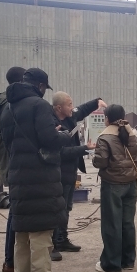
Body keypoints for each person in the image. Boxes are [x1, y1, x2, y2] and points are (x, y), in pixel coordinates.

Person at [1, 68, 73, 272]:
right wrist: (63, 136)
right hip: (40, 176)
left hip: (17, 174)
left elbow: (7, 142)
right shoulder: (39, 105)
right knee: (41, 230)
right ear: (40, 85)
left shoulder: (8, 108)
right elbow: (49, 138)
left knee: (23, 230)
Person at [51, 92, 107, 256]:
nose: (72, 107)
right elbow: (60, 152)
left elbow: (81, 110)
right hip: (57, 173)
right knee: (57, 209)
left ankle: (62, 239)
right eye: (69, 104)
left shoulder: (69, 118)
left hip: (70, 172)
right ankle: (52, 244)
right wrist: (84, 149)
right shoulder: (51, 124)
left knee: (66, 208)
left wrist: (97, 102)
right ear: (59, 108)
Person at [92, 104, 137, 272]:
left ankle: (111, 264)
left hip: (112, 185)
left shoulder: (105, 137)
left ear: (107, 119)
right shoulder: (132, 134)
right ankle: (128, 261)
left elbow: (100, 162)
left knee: (112, 224)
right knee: (127, 223)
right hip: (131, 185)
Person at [0, 66, 26, 272]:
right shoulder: (8, 102)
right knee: (16, 212)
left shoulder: (7, 101)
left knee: (17, 210)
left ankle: (13, 261)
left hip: (11, 162)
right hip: (13, 163)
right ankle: (10, 262)